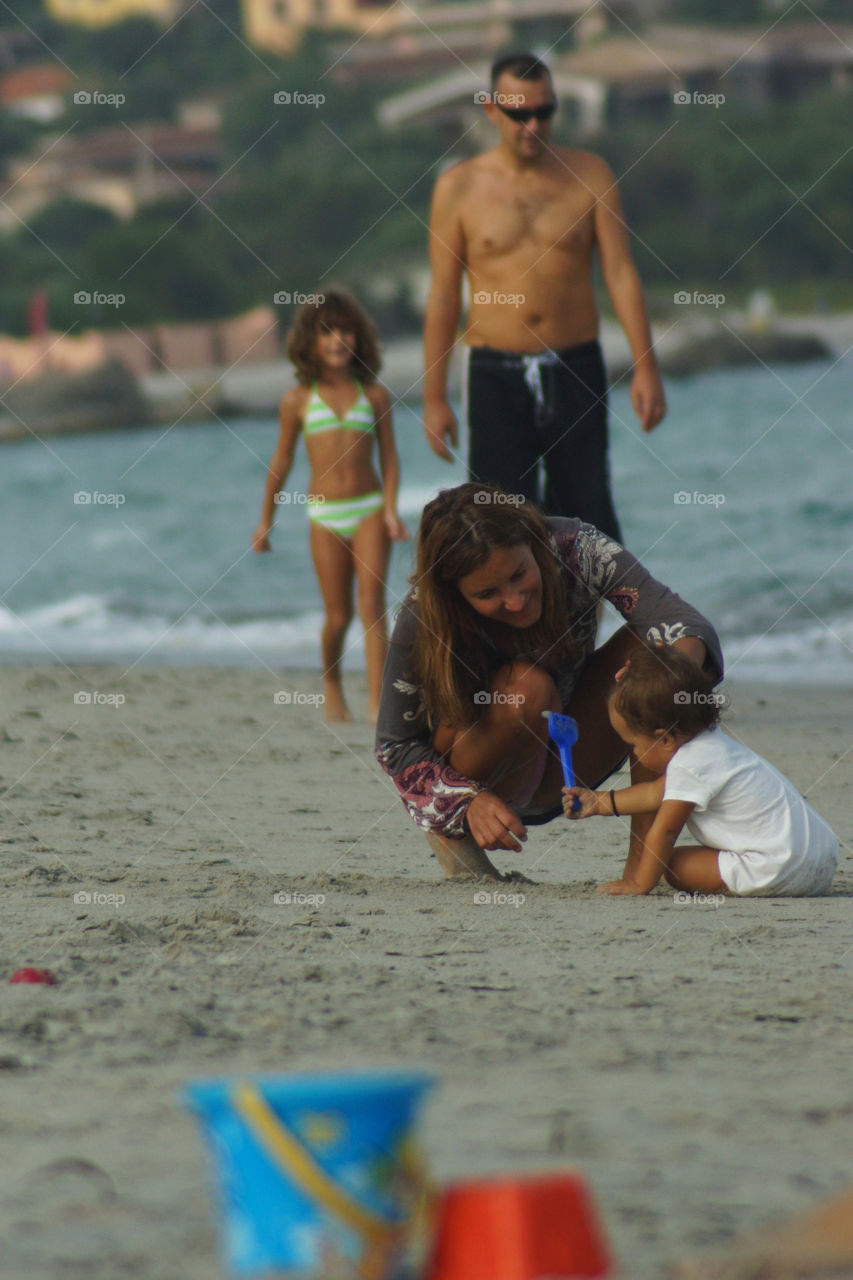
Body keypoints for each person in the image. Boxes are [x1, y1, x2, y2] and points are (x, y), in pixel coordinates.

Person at [374, 483, 721, 880]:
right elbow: (394, 746)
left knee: (659, 647)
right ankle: (453, 837)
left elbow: (689, 625)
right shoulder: (424, 613)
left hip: (568, 758)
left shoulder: (577, 548)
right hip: (481, 774)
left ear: (532, 539)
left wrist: (667, 675)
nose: (516, 600)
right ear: (455, 594)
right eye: (488, 593)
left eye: (519, 574)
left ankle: (644, 863)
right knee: (528, 689)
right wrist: (463, 800)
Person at [423, 51, 666, 537]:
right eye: (518, 113)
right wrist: (434, 398)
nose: (532, 125)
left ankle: (580, 617)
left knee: (589, 522)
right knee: (496, 529)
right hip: (495, 373)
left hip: (575, 366)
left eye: (544, 112)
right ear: (491, 110)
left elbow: (620, 273)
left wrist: (646, 369)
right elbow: (445, 296)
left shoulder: (590, 175)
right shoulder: (458, 188)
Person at [562, 646, 838, 897]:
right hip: (819, 861)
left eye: (633, 744)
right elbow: (652, 794)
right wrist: (597, 802)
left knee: (672, 865)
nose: (633, 753)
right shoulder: (712, 745)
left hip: (777, 868)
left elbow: (666, 830)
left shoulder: (689, 764)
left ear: (665, 739)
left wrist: (638, 883)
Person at [252, 290, 409, 723]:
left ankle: (378, 704)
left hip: (370, 508)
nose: (338, 340)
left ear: (359, 338)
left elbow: (391, 459)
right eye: (327, 332)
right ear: (310, 341)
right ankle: (332, 682)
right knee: (337, 618)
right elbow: (281, 461)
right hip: (324, 516)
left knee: (372, 608)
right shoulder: (298, 400)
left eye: (345, 331)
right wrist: (266, 520)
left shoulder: (374, 397)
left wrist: (392, 511)